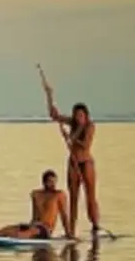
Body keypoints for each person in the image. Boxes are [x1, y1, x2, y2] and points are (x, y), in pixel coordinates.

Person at [40, 74, 101, 237]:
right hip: (73, 163)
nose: (78, 118)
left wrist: (71, 137)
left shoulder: (90, 126)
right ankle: (71, 232)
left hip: (86, 163)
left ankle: (95, 225)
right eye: (76, 115)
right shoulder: (72, 123)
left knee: (90, 196)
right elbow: (54, 116)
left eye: (81, 115)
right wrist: (49, 95)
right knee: (73, 198)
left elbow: (85, 144)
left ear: (86, 116)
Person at [0, 169, 67, 239]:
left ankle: (17, 236)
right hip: (34, 225)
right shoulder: (36, 194)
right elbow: (35, 215)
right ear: (44, 182)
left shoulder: (59, 195)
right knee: (10, 228)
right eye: (50, 182)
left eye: (54, 181)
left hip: (46, 229)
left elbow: (64, 216)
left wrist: (69, 233)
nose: (53, 184)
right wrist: (28, 226)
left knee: (25, 233)